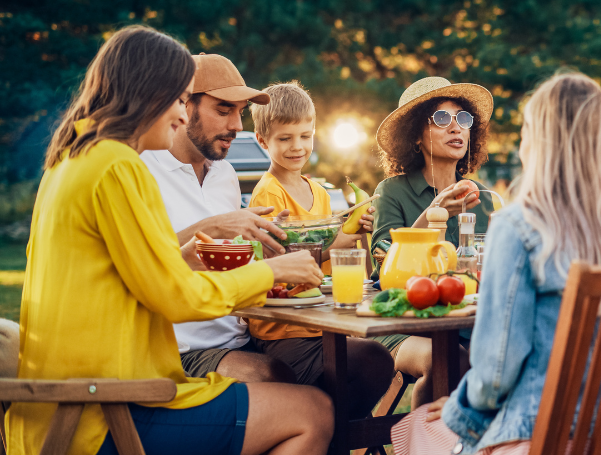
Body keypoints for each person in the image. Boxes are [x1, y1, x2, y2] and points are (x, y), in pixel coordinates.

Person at [10, 25, 331, 454]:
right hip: (105, 407)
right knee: (313, 412)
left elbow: (134, 270)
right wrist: (267, 271)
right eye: (179, 100)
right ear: (149, 94)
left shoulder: (74, 159)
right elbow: (175, 298)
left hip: (79, 396)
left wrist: (201, 250)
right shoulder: (117, 167)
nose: (181, 115)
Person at [391, 72, 601, 455]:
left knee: (419, 426)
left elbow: (496, 372)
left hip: (545, 437)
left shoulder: (520, 226)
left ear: (537, 143)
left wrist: (464, 412)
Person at [142, 53, 297, 384]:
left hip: (242, 333)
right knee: (275, 377)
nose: (237, 126)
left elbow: (224, 260)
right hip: (179, 348)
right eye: (223, 110)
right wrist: (213, 227)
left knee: (356, 361)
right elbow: (145, 264)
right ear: (183, 106)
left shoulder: (224, 173)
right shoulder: (141, 169)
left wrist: (264, 243)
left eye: (239, 113)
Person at [247, 81, 395, 419]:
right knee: (372, 361)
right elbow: (281, 264)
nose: (297, 147)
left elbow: (331, 261)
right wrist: (343, 237)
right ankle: (331, 433)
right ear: (262, 140)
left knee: (371, 361)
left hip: (322, 324)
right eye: (284, 138)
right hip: (283, 332)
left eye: (305, 135)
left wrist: (358, 231)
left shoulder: (321, 193)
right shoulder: (268, 195)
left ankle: (332, 432)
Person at [370, 76, 494, 408]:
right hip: (400, 323)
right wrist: (433, 213)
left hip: (467, 324)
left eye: (463, 119)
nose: (456, 128)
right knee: (450, 360)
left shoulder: (483, 198)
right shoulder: (391, 191)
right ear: (415, 137)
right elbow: (384, 265)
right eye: (441, 118)